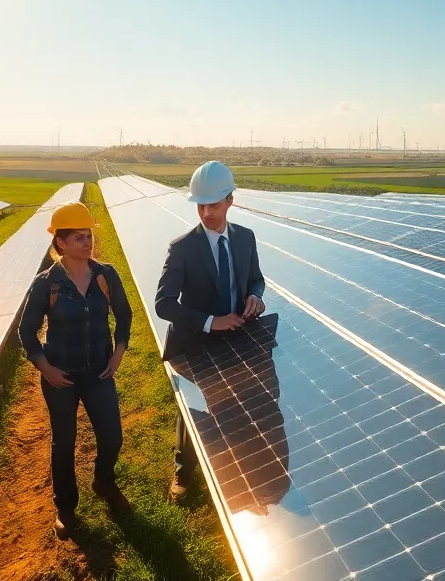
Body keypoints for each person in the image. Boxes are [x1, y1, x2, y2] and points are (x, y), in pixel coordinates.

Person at [17, 201, 134, 539]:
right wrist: (46, 369)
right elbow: (26, 332)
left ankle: (104, 481)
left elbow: (124, 316)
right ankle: (65, 507)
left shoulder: (105, 275)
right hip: (60, 377)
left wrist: (119, 353)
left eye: (89, 236)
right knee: (63, 442)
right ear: (61, 244)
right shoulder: (46, 283)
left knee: (112, 436)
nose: (88, 242)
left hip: (99, 372)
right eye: (79, 238)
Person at [154, 161, 266, 500]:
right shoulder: (183, 248)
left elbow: (256, 279)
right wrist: (210, 321)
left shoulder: (245, 238)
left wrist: (255, 298)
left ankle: (232, 462)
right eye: (200, 205)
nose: (205, 212)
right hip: (196, 343)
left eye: (213, 205)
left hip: (237, 336)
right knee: (193, 410)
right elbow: (164, 304)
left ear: (230, 201)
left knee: (234, 402)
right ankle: (183, 473)